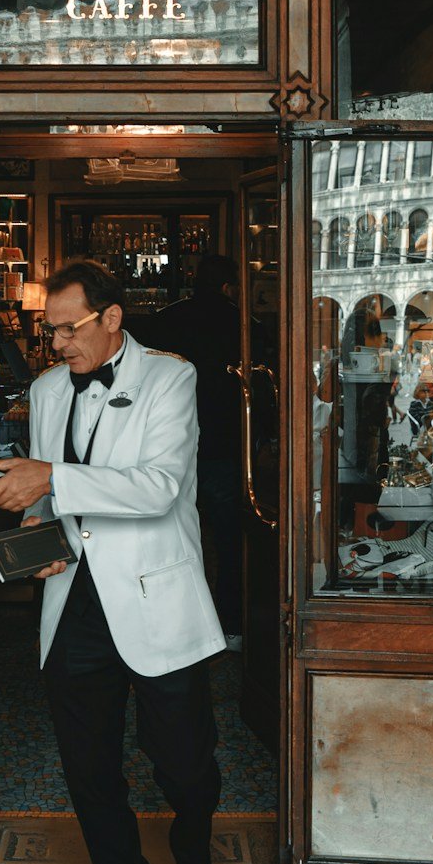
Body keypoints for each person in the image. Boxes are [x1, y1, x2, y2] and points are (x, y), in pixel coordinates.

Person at [0, 259, 227, 864]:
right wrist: (39, 534)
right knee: (89, 776)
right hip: (75, 608)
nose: (54, 344)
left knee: (184, 763)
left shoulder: (171, 379)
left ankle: (197, 859)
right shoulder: (50, 390)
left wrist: (49, 478)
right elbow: (56, 503)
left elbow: (158, 488)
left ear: (112, 317)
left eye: (66, 328)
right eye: (46, 329)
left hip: (155, 599)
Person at [139, 253, 245, 636]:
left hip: (166, 446)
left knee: (167, 537)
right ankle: (229, 624)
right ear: (228, 286)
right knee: (229, 541)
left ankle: (167, 625)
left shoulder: (165, 320)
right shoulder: (241, 323)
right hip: (224, 444)